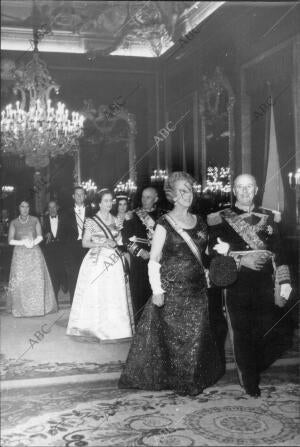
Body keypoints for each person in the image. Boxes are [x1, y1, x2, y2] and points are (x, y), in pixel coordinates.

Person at [119, 172, 223, 395]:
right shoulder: (163, 223)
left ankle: (191, 380)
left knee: (196, 335)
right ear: (173, 196)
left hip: (197, 290)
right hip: (172, 289)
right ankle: (178, 380)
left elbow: (204, 254)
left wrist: (218, 253)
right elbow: (154, 259)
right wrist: (157, 290)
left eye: (190, 190)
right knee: (175, 339)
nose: (188, 195)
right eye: (182, 191)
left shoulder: (200, 222)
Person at [208, 173, 293, 397]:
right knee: (243, 333)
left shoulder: (269, 217)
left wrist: (285, 281)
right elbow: (212, 256)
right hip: (237, 283)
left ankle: (253, 366)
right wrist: (241, 259)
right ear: (234, 191)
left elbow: (280, 252)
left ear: (256, 190)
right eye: (240, 187)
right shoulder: (220, 218)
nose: (245, 191)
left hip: (266, 283)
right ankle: (250, 380)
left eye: (249, 187)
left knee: (279, 334)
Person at [66, 188, 135, 340]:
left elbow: (119, 241)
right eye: (105, 201)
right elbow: (85, 243)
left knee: (113, 294)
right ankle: (95, 328)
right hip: (96, 259)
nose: (109, 204)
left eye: (111, 201)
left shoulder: (117, 220)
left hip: (114, 261)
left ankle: (116, 329)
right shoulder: (91, 221)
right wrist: (104, 242)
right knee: (98, 293)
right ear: (99, 203)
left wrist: (121, 245)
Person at [7, 200, 57, 317]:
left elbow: (40, 236)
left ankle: (37, 309)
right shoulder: (14, 222)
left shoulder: (35, 220)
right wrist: (22, 242)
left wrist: (33, 243)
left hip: (34, 253)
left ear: (29, 208)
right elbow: (10, 240)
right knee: (21, 281)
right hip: (19, 255)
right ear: (19, 208)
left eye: (27, 207)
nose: (25, 209)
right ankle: (21, 310)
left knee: (36, 280)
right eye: (22, 206)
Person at [122, 186, 163, 323]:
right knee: (139, 299)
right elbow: (126, 240)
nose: (144, 200)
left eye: (148, 197)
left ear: (156, 199)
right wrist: (140, 252)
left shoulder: (164, 216)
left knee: (158, 298)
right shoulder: (132, 215)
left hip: (159, 263)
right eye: (143, 197)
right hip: (140, 264)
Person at [61, 186, 93, 303]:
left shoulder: (92, 212)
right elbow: (61, 234)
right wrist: (66, 250)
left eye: (82, 194)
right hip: (71, 249)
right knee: (73, 277)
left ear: (85, 196)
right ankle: (74, 303)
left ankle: (87, 303)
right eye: (77, 194)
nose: (79, 196)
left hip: (88, 248)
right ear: (73, 196)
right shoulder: (65, 213)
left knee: (87, 275)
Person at [42, 200, 67, 300]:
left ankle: (64, 283)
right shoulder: (43, 220)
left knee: (62, 269)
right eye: (50, 207)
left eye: (54, 207)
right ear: (48, 209)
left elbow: (68, 232)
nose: (52, 209)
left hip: (62, 248)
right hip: (50, 249)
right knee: (53, 272)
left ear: (57, 207)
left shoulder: (64, 219)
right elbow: (40, 234)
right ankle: (54, 296)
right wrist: (45, 235)